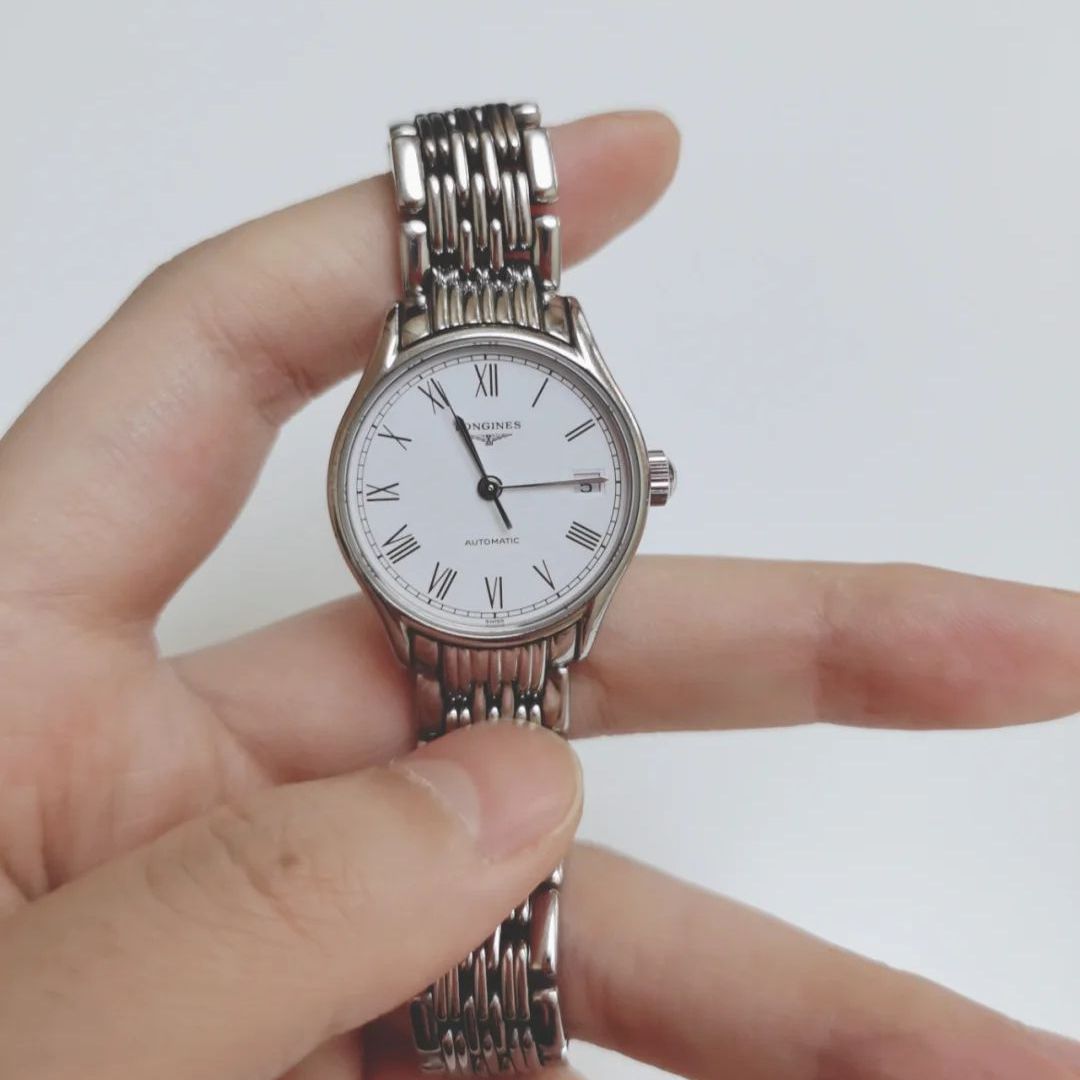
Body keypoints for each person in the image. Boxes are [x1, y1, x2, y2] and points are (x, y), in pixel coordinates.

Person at [0, 110, 1076, 1080]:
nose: (487, 489)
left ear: (636, 479)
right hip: (445, 619)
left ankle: (480, 1027)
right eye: (477, 476)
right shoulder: (445, 384)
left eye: (506, 479)